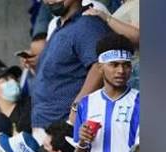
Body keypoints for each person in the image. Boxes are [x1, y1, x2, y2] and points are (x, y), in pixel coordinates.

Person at [72, 34, 139, 152]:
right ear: (100, 67)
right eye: (114, 64)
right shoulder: (85, 105)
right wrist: (84, 142)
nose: (121, 70)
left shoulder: (141, 101)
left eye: (126, 65)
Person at [28, 0, 109, 130]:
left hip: (64, 127)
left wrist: (77, 109)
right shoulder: (59, 27)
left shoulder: (87, 24)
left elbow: (99, 66)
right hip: (46, 124)